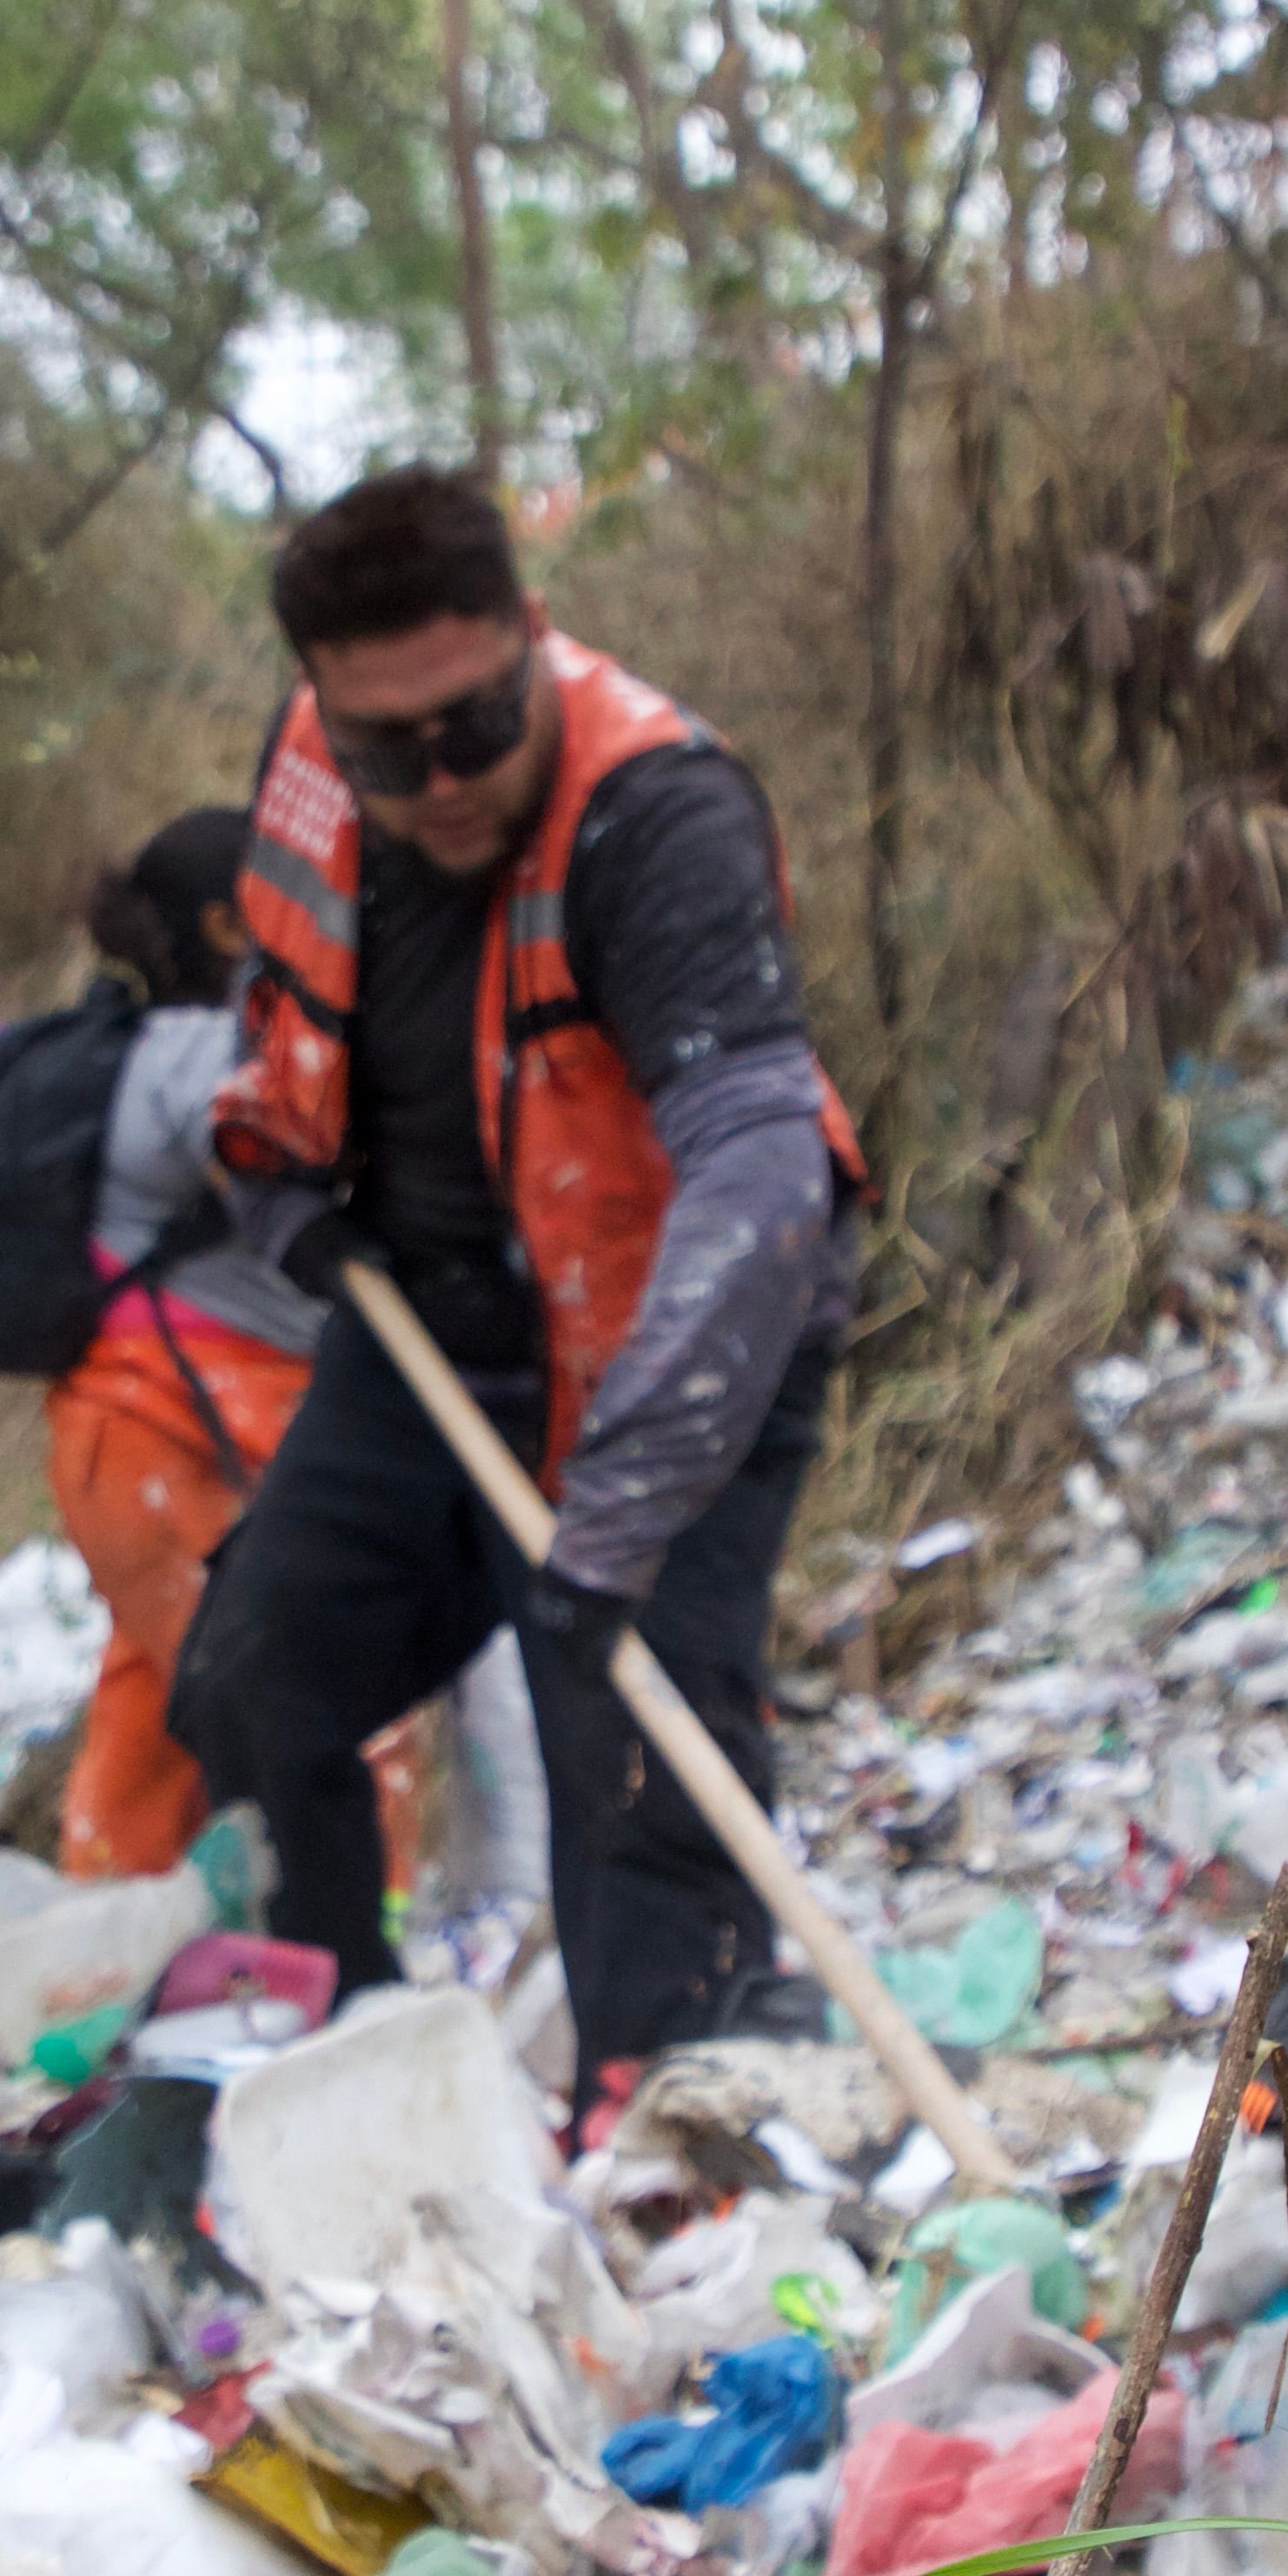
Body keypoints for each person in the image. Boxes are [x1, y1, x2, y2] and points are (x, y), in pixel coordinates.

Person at [169, 463, 866, 2120]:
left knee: (634, 1789)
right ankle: (347, 2044)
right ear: (323, 706)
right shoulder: (324, 774)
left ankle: (672, 2135)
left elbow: (766, 1165)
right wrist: (279, 1194)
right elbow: (272, 992)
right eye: (387, 745)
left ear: (534, 641)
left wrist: (624, 1511)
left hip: (670, 1360)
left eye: (477, 725)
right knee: (255, 1682)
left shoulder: (657, 817)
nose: (441, 781)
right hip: (429, 1339)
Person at [38, 809, 417, 1880]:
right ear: (221, 921)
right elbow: (290, 1152)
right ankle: (356, 1956)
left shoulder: (132, 1054)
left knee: (160, 1701)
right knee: (335, 1691)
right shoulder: (202, 1058)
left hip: (121, 1446)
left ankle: (100, 1953)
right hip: (183, 1438)